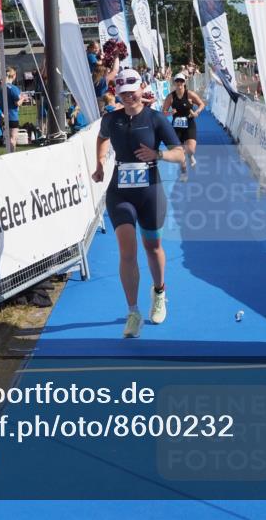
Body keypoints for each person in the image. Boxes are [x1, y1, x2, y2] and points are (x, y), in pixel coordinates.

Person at [92, 68, 185, 338]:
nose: (128, 96)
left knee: (153, 247)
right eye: (123, 93)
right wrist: (99, 162)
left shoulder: (155, 119)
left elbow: (179, 154)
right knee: (127, 251)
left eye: (132, 91)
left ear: (141, 88)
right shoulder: (112, 119)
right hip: (120, 193)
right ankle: (133, 312)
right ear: (118, 94)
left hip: (150, 193)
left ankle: (159, 292)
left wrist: (157, 155)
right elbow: (101, 137)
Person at [162, 72, 206, 183]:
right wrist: (170, 112)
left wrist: (197, 112)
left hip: (190, 123)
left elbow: (201, 104)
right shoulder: (171, 96)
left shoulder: (189, 94)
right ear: (174, 83)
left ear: (184, 82)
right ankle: (184, 172)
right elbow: (164, 112)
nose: (179, 83)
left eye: (181, 81)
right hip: (177, 126)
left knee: (191, 149)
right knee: (179, 151)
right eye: (177, 81)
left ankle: (190, 155)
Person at [4, 67, 28, 149]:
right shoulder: (14, 88)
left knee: (8, 137)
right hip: (12, 115)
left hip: (3, 115)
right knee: (13, 138)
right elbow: (17, 103)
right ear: (14, 76)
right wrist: (23, 98)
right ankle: (11, 154)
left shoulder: (1, 87)